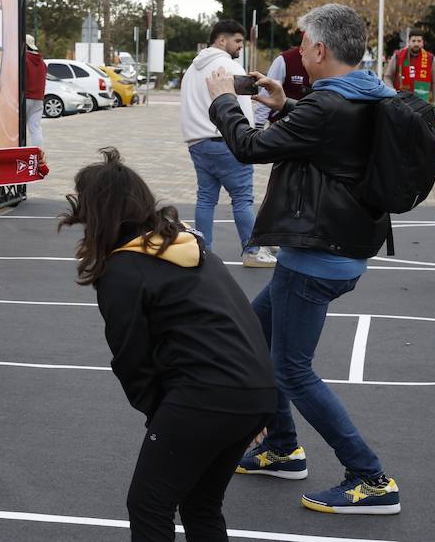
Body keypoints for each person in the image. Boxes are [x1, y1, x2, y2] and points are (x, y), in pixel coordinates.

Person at [209, 3, 401, 515]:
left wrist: (224, 101)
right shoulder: (367, 91)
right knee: (255, 333)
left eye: (302, 42)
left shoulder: (329, 105)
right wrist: (287, 102)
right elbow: (334, 134)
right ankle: (281, 447)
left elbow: (249, 147)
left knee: (292, 370)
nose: (298, 50)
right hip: (341, 245)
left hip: (314, 257)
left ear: (319, 49)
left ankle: (370, 478)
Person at [60, 147, 276, 542]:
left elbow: (132, 360)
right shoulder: (189, 245)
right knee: (201, 505)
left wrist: (160, 417)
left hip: (205, 396)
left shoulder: (123, 270)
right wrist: (253, 401)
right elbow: (242, 318)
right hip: (255, 387)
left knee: (149, 505)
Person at [180, 20, 273, 266]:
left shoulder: (191, 70)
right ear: (222, 40)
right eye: (237, 41)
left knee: (205, 199)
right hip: (227, 141)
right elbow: (242, 107)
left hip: (198, 142)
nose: (240, 46)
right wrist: (250, 137)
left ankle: (203, 251)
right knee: (242, 198)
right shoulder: (229, 66)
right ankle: (253, 251)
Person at [252, 37, 311, 127]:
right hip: (283, 125)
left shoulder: (328, 63)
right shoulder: (285, 59)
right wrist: (259, 124)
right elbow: (267, 91)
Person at [383, 29, 435, 107]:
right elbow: (387, 77)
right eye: (413, 41)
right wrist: (393, 93)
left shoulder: (431, 58)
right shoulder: (398, 56)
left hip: (423, 104)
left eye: (419, 41)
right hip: (401, 103)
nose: (416, 44)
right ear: (409, 42)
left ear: (423, 43)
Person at [24, 34, 46, 147]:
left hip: (25, 98)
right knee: (35, 127)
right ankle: (38, 152)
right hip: (39, 99)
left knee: (19, 128)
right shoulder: (42, 62)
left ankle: (19, 151)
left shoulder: (24, 60)